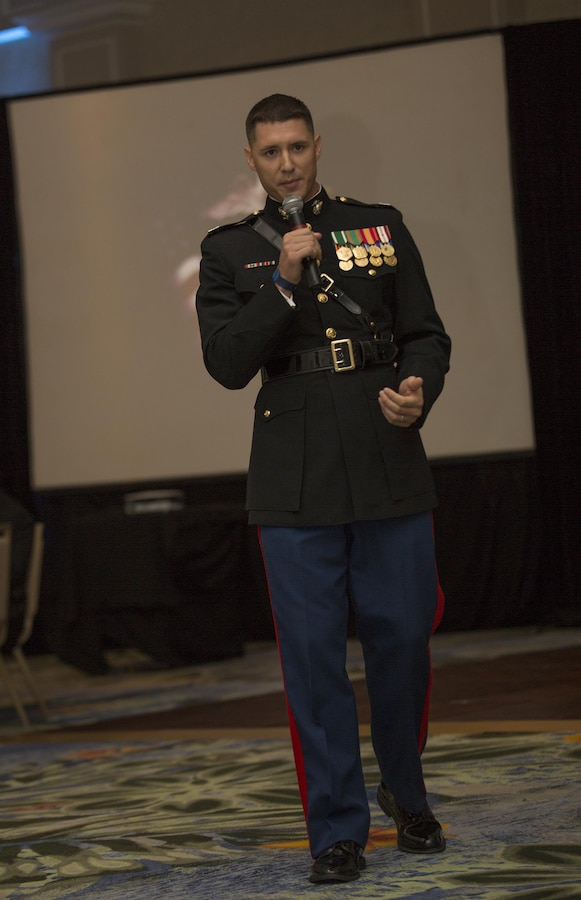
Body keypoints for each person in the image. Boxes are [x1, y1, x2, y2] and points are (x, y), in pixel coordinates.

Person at [196, 93, 451, 884]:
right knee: (312, 662)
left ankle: (404, 794)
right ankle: (336, 830)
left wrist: (417, 388)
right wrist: (279, 279)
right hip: (294, 475)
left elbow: (425, 334)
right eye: (270, 151)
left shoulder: (377, 224)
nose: (286, 163)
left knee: (404, 640)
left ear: (316, 147)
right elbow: (227, 365)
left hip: (384, 457)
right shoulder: (229, 249)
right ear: (251, 160)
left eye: (297, 147)